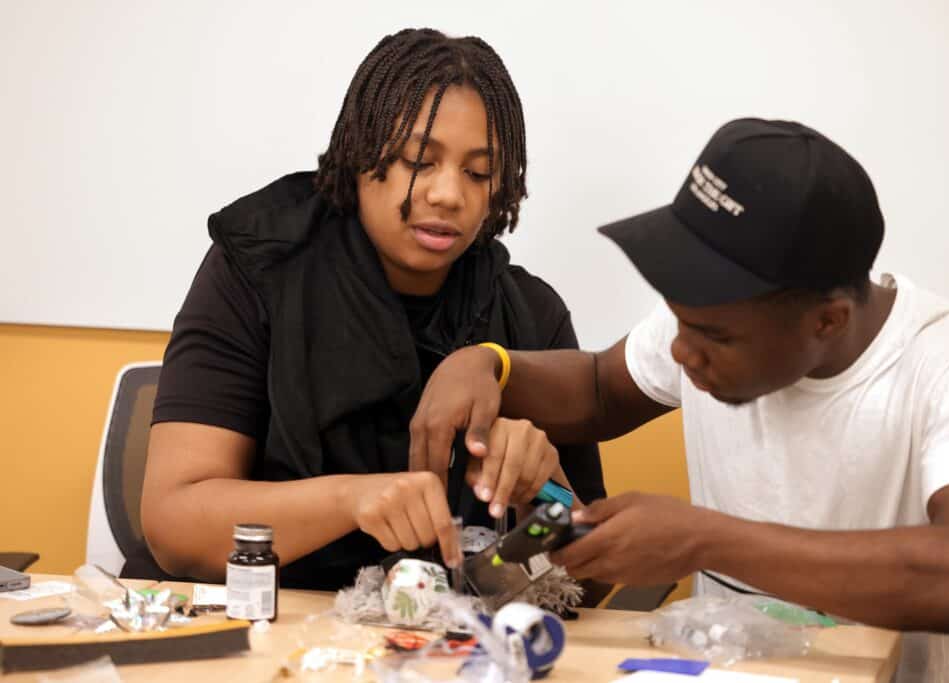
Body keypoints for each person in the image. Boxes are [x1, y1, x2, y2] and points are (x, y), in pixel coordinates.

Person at [409, 118, 949, 682]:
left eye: (712, 336)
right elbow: (598, 388)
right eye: (678, 320)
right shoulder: (713, 319)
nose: (680, 351)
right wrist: (490, 364)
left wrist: (705, 540)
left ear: (828, 322)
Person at [138, 28, 605, 591]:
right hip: (272, 629)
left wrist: (542, 490)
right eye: (418, 161)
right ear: (359, 155)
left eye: (478, 172)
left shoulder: (529, 316)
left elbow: (592, 574)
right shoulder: (259, 268)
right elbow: (175, 524)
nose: (448, 194)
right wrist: (351, 498)